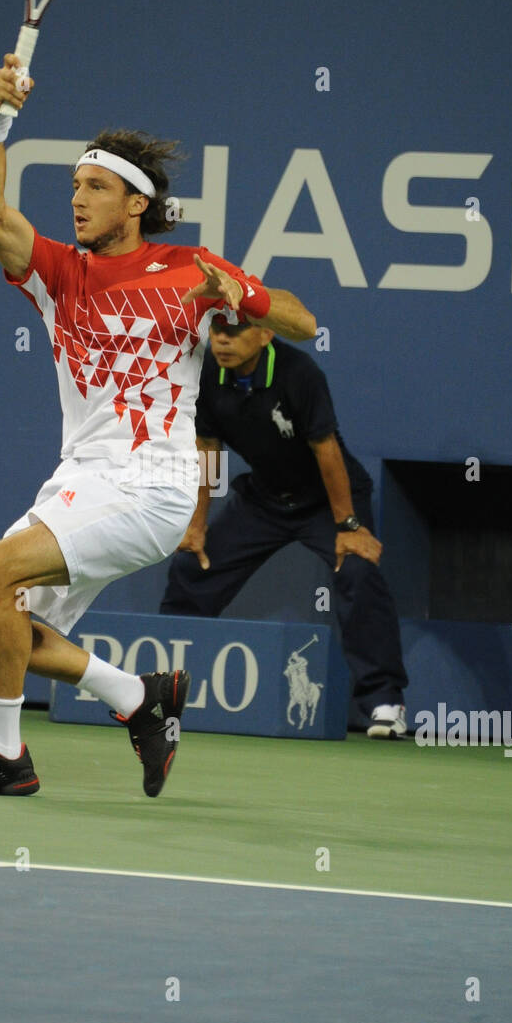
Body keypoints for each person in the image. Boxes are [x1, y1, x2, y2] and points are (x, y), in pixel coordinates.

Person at [0, 53, 316, 799]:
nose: (78, 198)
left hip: (152, 485)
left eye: (96, 186)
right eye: (74, 186)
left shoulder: (189, 269)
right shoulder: (61, 274)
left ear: (137, 204)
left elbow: (304, 321)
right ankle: (138, 698)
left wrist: (246, 298)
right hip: (82, 479)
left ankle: (4, 755)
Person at [160, 315, 408, 738]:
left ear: (264, 334)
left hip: (326, 502)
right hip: (263, 500)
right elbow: (208, 450)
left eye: (235, 331)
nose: (222, 339)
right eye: (217, 330)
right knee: (190, 568)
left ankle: (385, 701)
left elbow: (327, 450)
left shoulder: (299, 373)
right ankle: (164, 690)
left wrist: (348, 525)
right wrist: (197, 523)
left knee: (357, 572)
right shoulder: (206, 373)